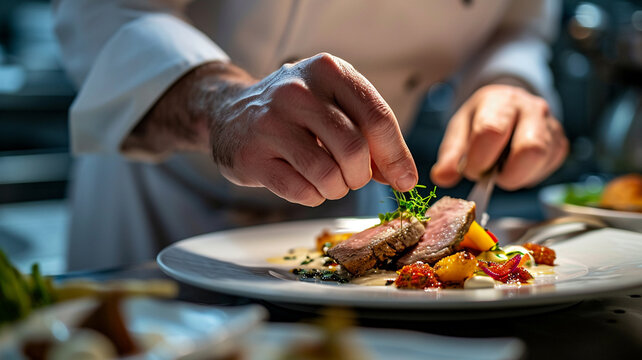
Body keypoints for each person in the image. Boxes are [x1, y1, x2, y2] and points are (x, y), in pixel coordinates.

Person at [53, 0, 568, 271]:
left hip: (353, 205)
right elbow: (104, 6)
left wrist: (509, 82)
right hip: (161, 198)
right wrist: (219, 101)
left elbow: (518, 23)